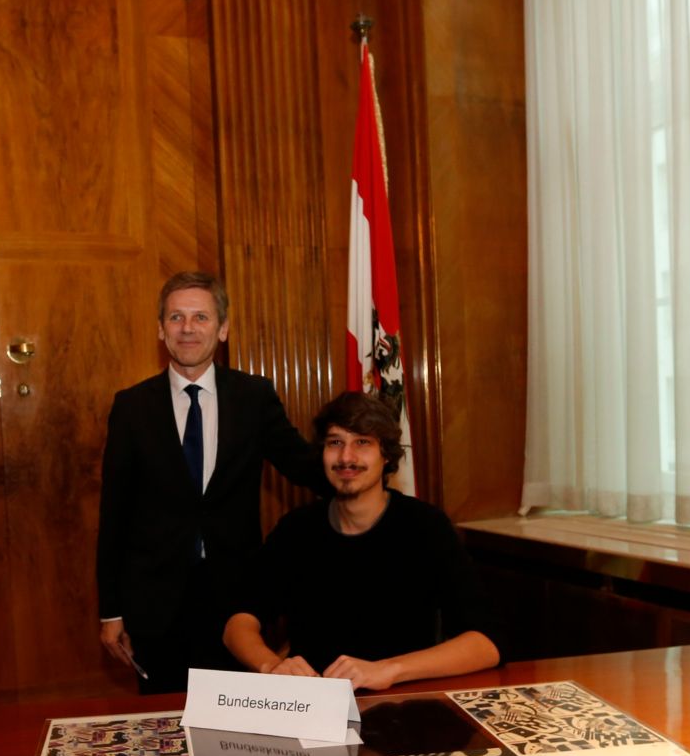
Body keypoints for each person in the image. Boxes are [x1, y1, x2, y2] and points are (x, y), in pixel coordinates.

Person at [96, 272, 327, 693]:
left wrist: (359, 467)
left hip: (236, 606)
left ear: (222, 328)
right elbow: (115, 513)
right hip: (154, 605)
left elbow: (303, 466)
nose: (188, 328)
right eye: (176, 317)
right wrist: (111, 611)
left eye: (201, 317)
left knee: (240, 734)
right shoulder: (131, 407)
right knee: (164, 730)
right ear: (160, 328)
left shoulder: (254, 397)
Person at [223, 391, 501, 691]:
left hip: (403, 705)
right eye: (335, 443)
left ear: (386, 455)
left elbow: (486, 643)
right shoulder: (297, 529)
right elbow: (238, 623)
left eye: (363, 442)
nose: (346, 457)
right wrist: (272, 666)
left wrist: (388, 670)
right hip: (313, 709)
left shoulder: (425, 527)